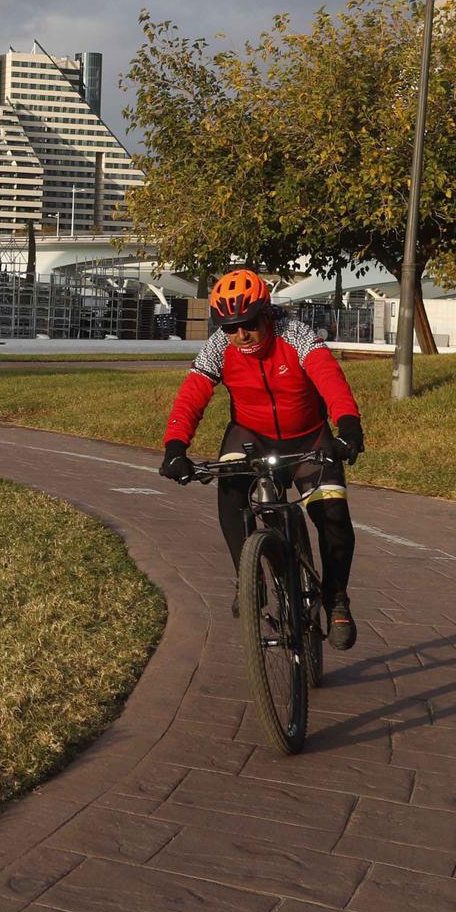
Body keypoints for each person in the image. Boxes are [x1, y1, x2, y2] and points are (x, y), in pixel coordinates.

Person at [158, 269, 365, 649]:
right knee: (231, 489)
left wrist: (348, 428)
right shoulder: (220, 346)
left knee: (333, 513)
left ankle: (336, 598)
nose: (241, 335)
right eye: (231, 327)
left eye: (249, 324)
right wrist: (175, 448)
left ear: (267, 313)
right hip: (251, 436)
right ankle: (248, 577)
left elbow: (330, 379)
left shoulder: (295, 333)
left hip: (308, 436)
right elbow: (192, 394)